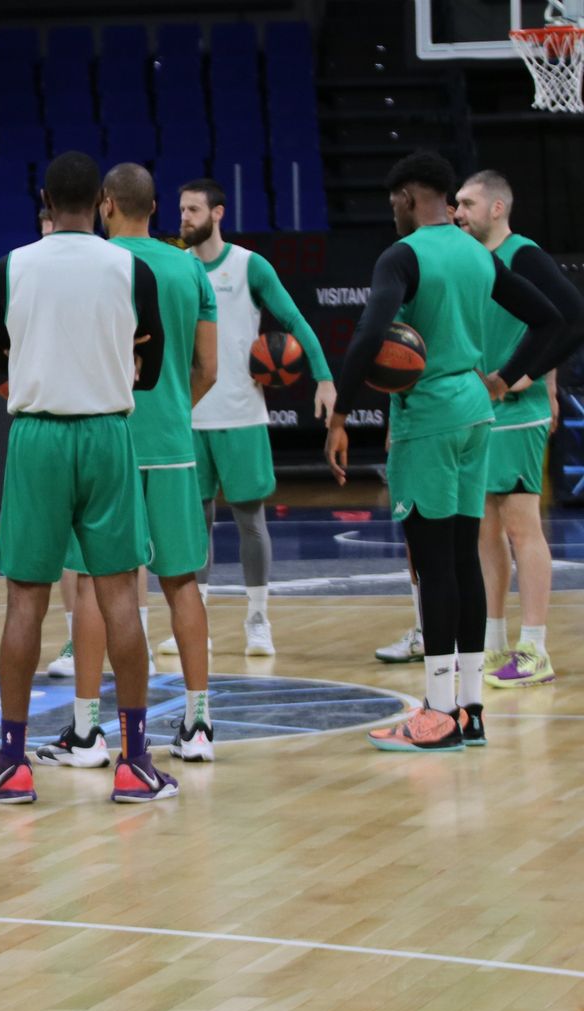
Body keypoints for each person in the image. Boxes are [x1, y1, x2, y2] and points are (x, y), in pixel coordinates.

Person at [327, 151, 568, 753]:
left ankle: (435, 712)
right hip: (476, 410)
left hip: (430, 416)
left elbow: (368, 332)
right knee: (463, 559)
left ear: (408, 197)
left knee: (434, 563)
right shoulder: (477, 255)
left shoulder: (403, 255)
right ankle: (470, 713)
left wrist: (338, 412)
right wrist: (507, 376)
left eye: (393, 204)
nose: (393, 214)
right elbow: (551, 319)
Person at [0, 152, 169, 805]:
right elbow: (154, 366)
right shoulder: (130, 267)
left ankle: (12, 763)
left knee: (26, 599)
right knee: (120, 596)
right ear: (104, 204)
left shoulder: (12, 267)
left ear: (44, 199)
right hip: (109, 432)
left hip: (37, 436)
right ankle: (135, 761)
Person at [39, 163, 220, 769]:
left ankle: (89, 732)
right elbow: (209, 369)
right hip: (171, 445)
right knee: (181, 582)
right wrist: (170, 411)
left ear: (108, 204)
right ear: (156, 206)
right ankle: (197, 724)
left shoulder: (97, 264)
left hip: (105, 441)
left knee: (94, 583)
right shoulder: (191, 268)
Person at [175, 178, 336, 657]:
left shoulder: (249, 265)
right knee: (192, 526)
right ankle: (194, 625)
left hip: (242, 413)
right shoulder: (178, 269)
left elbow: (296, 321)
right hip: (189, 416)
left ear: (218, 213)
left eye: (193, 210)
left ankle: (258, 619)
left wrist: (324, 377)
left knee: (250, 521)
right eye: (181, 209)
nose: (184, 218)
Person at [454, 170, 579, 688]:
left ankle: (535, 649)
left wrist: (520, 379)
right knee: (484, 530)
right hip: (479, 411)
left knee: (522, 526)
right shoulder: (470, 260)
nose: (457, 212)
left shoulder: (522, 255)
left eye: (466, 203)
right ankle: (494, 642)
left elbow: (570, 318)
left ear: (497, 209)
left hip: (514, 412)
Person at [0, 207, 85, 680]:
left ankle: (90, 640)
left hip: (88, 418)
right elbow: (8, 336)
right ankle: (77, 641)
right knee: (51, 558)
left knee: (94, 556)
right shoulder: (22, 271)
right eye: (44, 225)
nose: (50, 232)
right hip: (48, 423)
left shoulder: (94, 268)